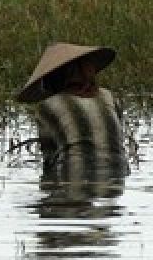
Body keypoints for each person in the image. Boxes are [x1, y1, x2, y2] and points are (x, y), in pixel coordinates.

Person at [16, 43, 128, 182]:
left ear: (54, 79)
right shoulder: (109, 97)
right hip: (119, 175)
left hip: (74, 176)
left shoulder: (48, 106)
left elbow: (49, 159)